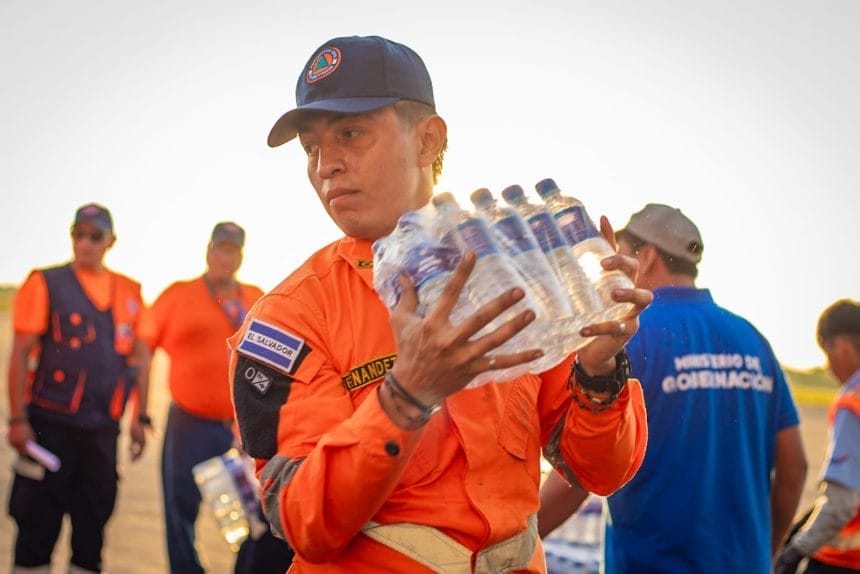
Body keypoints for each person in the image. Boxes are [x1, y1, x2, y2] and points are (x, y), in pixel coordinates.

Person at [227, 35, 652, 572]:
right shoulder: (291, 315)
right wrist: (406, 396)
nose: (325, 164)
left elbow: (600, 473)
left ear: (428, 140)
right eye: (310, 148)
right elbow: (302, 521)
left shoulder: (511, 274)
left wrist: (599, 368)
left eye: (350, 134)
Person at [539, 203, 808, 572]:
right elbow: (794, 466)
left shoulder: (627, 334)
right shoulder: (752, 339)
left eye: (620, 252)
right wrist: (765, 556)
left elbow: (583, 468)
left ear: (647, 257)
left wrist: (513, 543)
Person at [5, 203, 151, 574]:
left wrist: (140, 417)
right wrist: (17, 420)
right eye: (78, 234)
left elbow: (140, 359)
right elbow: (19, 353)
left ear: (111, 241)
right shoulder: (44, 282)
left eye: (94, 236)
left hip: (102, 432)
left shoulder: (130, 291)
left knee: (91, 535)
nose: (85, 243)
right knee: (35, 529)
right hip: (47, 430)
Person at [145, 222, 292, 573]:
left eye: (232, 251)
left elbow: (277, 359)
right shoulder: (179, 294)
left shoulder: (255, 297)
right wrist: (140, 412)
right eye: (220, 249)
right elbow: (142, 348)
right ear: (208, 251)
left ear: (241, 256)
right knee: (180, 508)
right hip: (188, 422)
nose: (225, 257)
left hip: (242, 427)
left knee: (255, 511)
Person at [775, 299, 860, 573]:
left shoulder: (852, 402)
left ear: (842, 348)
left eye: (827, 353)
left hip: (843, 560)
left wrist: (795, 550)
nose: (827, 366)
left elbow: (841, 504)